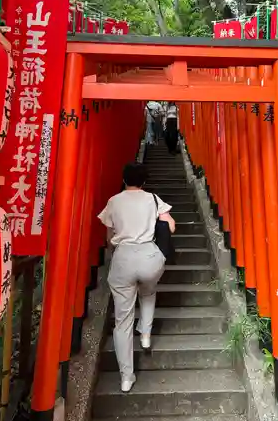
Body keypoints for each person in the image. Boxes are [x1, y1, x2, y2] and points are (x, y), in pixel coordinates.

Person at [98, 163, 175, 393]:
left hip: (123, 258)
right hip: (149, 257)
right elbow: (170, 225)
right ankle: (146, 335)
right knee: (149, 291)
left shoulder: (114, 201)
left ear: (124, 180)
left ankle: (126, 377)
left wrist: (116, 251)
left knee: (122, 321)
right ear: (144, 181)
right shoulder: (152, 199)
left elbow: (108, 235)